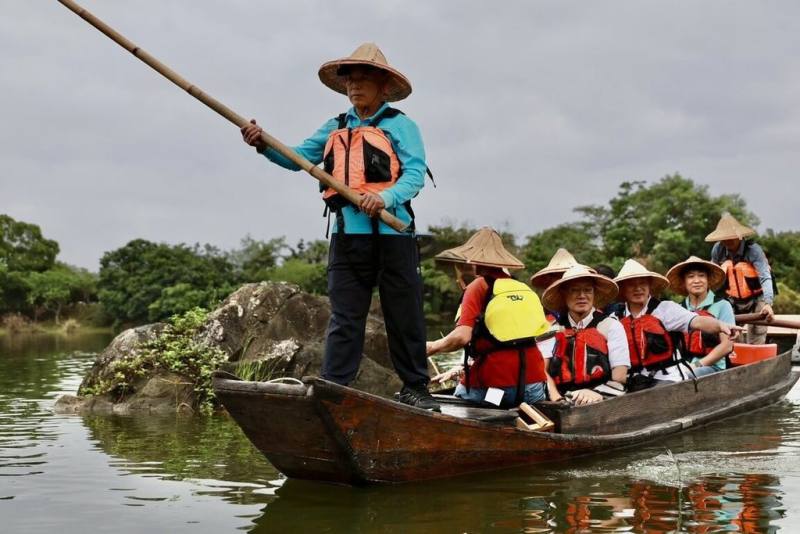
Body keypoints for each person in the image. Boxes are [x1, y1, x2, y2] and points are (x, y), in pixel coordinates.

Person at [240, 43, 437, 410]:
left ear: (382, 85)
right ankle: (334, 389)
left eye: (363, 79)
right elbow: (295, 158)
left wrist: (386, 198)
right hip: (348, 237)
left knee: (403, 316)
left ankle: (416, 389)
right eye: (350, 80)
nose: (354, 86)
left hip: (394, 237)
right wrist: (262, 144)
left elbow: (413, 175)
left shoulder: (400, 125)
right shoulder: (336, 127)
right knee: (345, 318)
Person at [426, 228, 551, 407]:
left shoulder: (477, 287)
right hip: (534, 386)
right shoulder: (522, 287)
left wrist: (433, 347)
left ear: (474, 262)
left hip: (496, 386)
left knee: (458, 396)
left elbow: (462, 336)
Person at [613, 259, 741, 384]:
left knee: (686, 376)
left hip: (668, 377)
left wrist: (720, 325)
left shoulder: (666, 309)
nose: (638, 288)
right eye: (631, 284)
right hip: (635, 377)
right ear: (623, 289)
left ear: (650, 286)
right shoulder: (616, 317)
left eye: (642, 283)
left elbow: (697, 321)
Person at [539, 265, 630, 405]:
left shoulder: (611, 326)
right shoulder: (552, 328)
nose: (581, 296)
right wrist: (557, 399)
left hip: (604, 395)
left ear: (594, 293)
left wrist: (594, 393)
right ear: (564, 294)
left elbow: (620, 375)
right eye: (574, 290)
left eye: (587, 290)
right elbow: (541, 370)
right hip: (562, 398)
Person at [706, 213, 776, 344]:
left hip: (757, 298)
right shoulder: (718, 249)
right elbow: (711, 278)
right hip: (733, 299)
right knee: (729, 335)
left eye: (731, 236)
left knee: (756, 335)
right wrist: (707, 302)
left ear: (739, 235)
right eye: (724, 237)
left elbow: (765, 277)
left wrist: (768, 304)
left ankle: (755, 357)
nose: (728, 240)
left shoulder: (753, 250)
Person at [666, 256, 735, 376]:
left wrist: (696, 365)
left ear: (708, 279)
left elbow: (727, 346)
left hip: (713, 368)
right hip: (682, 365)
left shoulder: (723, 305)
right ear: (684, 282)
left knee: (685, 377)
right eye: (691, 276)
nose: (697, 280)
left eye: (701, 275)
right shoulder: (678, 308)